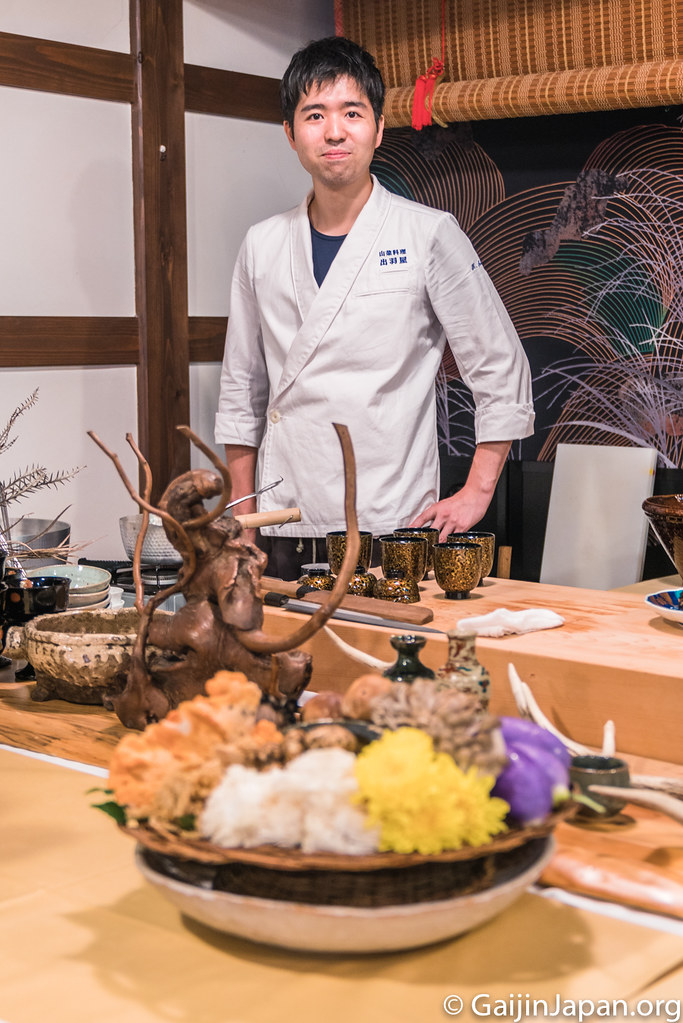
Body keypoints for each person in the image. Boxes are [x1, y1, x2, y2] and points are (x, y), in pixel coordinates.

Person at [215, 36, 534, 580]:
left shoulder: (428, 234)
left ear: (379, 128)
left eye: (352, 113)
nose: (334, 132)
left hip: (393, 521)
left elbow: (499, 366)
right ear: (290, 134)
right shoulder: (261, 244)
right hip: (284, 519)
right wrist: (244, 517)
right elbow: (242, 389)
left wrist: (477, 492)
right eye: (314, 115)